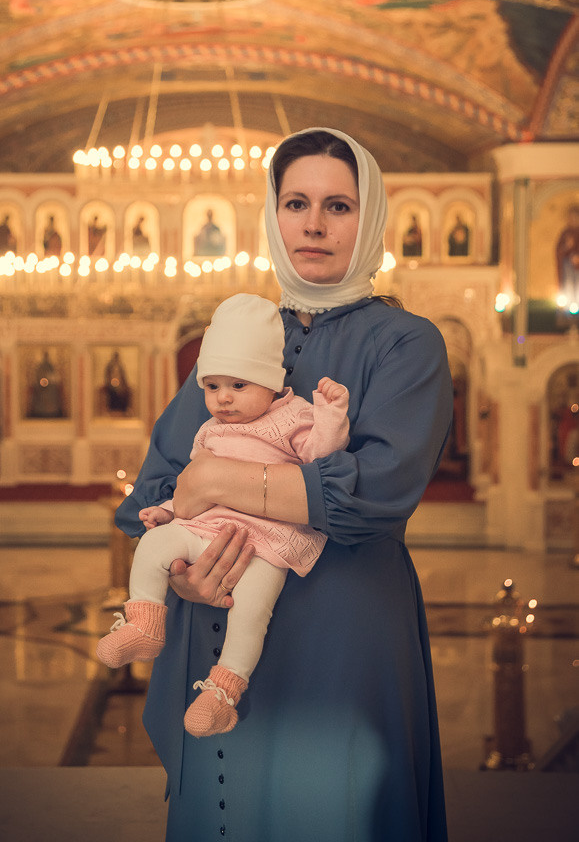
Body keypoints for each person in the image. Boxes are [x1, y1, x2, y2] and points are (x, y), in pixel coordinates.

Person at [116, 127, 453, 841]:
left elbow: (374, 491)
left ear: (370, 218)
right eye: (296, 203)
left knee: (332, 804)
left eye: (339, 206)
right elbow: (154, 488)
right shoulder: (237, 337)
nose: (313, 224)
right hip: (212, 626)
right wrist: (184, 574)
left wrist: (217, 477)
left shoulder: (406, 343)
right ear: (272, 215)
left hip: (343, 631)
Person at [97, 294, 349, 737]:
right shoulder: (210, 430)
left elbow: (320, 456)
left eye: (238, 385)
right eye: (212, 387)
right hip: (206, 526)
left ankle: (222, 693)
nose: (223, 399)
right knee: (154, 544)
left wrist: (331, 415)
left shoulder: (293, 417)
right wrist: (166, 511)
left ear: (271, 383)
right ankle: (146, 623)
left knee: (251, 612)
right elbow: (192, 482)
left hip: (267, 541)